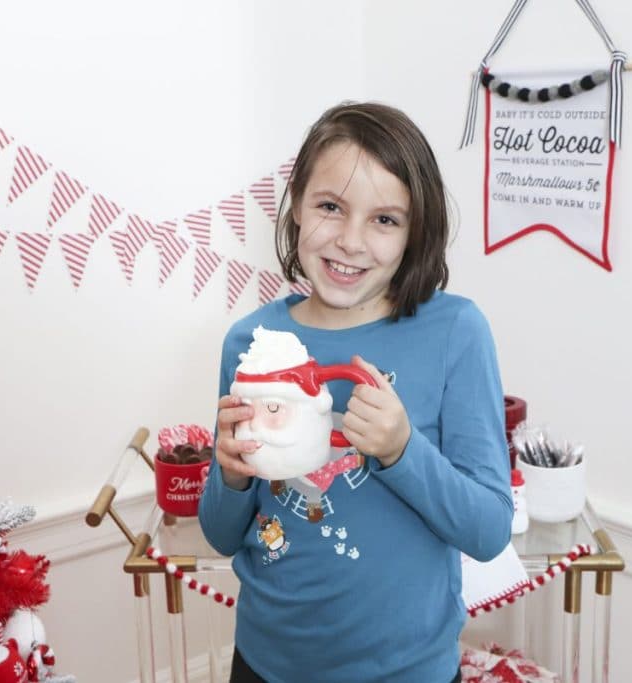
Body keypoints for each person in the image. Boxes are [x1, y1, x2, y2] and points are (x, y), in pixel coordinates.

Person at [198, 101, 512, 683]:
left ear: (415, 232)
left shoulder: (456, 333)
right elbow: (220, 535)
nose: (350, 241)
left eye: (384, 220)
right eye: (330, 207)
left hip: (409, 671)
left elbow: (489, 529)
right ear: (296, 205)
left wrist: (401, 451)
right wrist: (233, 474)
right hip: (265, 663)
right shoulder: (250, 342)